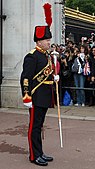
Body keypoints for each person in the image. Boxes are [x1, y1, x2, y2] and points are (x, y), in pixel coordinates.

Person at [20, 25, 59, 166]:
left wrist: (54, 77)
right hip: (35, 97)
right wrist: (26, 97)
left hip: (45, 96)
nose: (49, 42)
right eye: (46, 40)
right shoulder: (32, 56)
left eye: (49, 40)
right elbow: (25, 78)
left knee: (40, 125)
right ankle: (33, 155)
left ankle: (40, 152)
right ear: (39, 41)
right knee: (34, 127)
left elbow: (46, 75)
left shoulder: (45, 55)